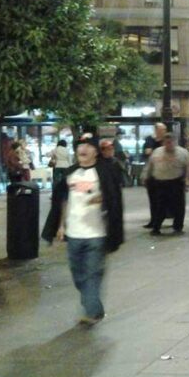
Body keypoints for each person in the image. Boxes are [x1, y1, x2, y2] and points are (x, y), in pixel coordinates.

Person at [42, 137, 124, 325]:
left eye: (88, 146)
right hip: (74, 234)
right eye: (80, 146)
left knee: (92, 274)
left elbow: (113, 198)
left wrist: (101, 200)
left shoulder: (104, 172)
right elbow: (63, 200)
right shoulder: (71, 173)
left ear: (95, 151)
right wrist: (61, 225)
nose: (83, 149)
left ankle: (92, 312)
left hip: (97, 234)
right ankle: (94, 306)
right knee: (78, 275)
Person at [141, 133, 189, 235]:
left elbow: (188, 168)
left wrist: (187, 181)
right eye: (167, 142)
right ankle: (156, 227)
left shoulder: (183, 153)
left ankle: (178, 227)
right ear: (163, 143)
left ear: (175, 142)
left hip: (176, 182)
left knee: (178, 206)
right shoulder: (157, 152)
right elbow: (150, 165)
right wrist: (145, 176)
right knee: (160, 206)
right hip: (160, 182)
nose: (169, 144)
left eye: (171, 142)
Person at [142, 123, 167, 228]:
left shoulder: (166, 140)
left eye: (164, 129)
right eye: (162, 129)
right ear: (156, 130)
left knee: (162, 198)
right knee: (152, 198)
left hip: (164, 173)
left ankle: (160, 219)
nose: (163, 131)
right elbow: (146, 153)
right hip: (152, 173)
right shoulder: (149, 140)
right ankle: (154, 220)